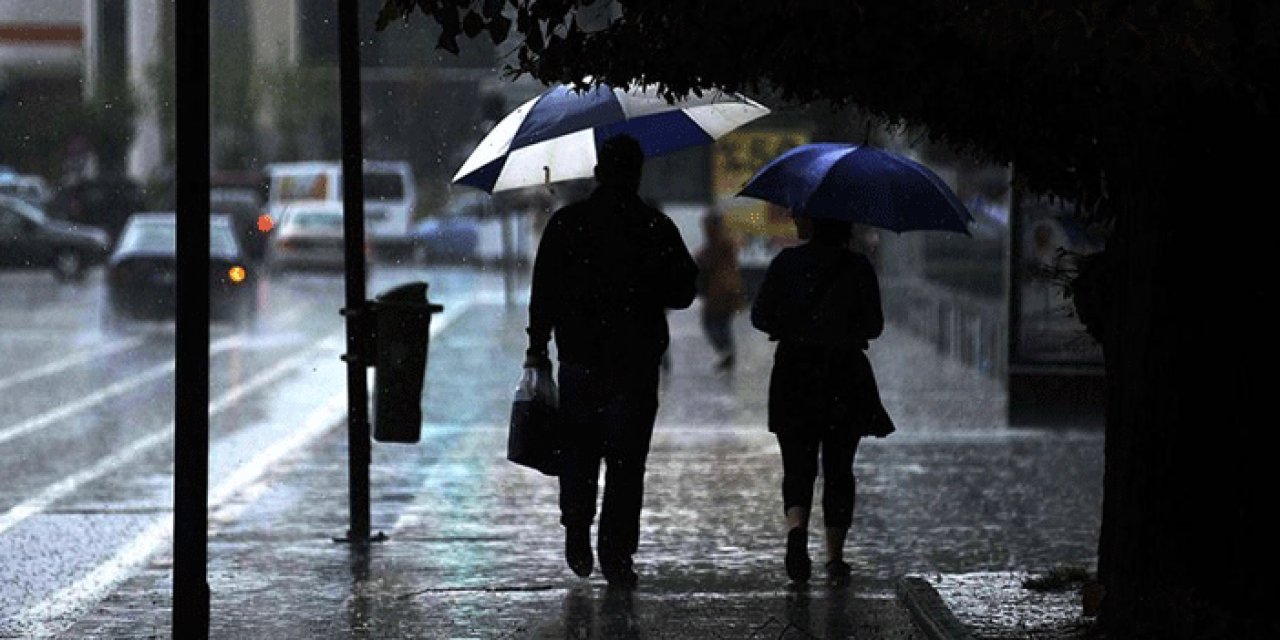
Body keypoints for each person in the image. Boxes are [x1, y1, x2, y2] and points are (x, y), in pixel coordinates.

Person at [524, 134, 698, 588]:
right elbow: (683, 291)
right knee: (626, 461)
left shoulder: (567, 225)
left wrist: (537, 345)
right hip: (635, 365)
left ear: (599, 172)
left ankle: (577, 529)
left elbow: (543, 293)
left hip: (579, 360)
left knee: (578, 449)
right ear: (637, 173)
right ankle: (616, 552)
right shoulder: (654, 227)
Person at [750, 214, 885, 585]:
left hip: (795, 373)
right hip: (844, 375)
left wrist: (791, 325)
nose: (794, 217)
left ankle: (796, 531)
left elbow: (759, 316)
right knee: (839, 468)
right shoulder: (859, 267)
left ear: (811, 222)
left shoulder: (786, 263)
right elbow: (874, 325)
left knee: (798, 464)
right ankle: (835, 557)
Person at [694, 209, 745, 371]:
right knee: (723, 324)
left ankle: (726, 351)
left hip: (719, 290)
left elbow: (708, 260)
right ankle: (728, 353)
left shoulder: (718, 242)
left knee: (711, 323)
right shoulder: (727, 241)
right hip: (731, 288)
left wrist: (699, 257)